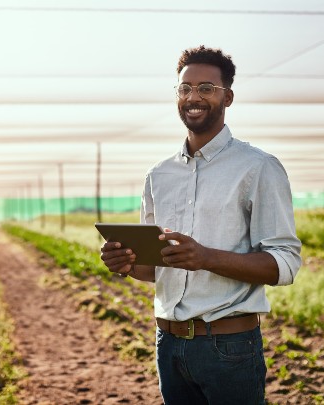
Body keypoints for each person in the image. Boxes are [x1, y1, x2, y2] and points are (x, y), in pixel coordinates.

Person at [100, 45, 302, 404]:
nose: (194, 97)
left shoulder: (258, 167)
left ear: (228, 97)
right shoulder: (158, 175)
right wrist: (128, 263)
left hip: (229, 348)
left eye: (206, 88)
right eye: (185, 88)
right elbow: (156, 269)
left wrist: (205, 257)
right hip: (168, 345)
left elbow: (284, 264)